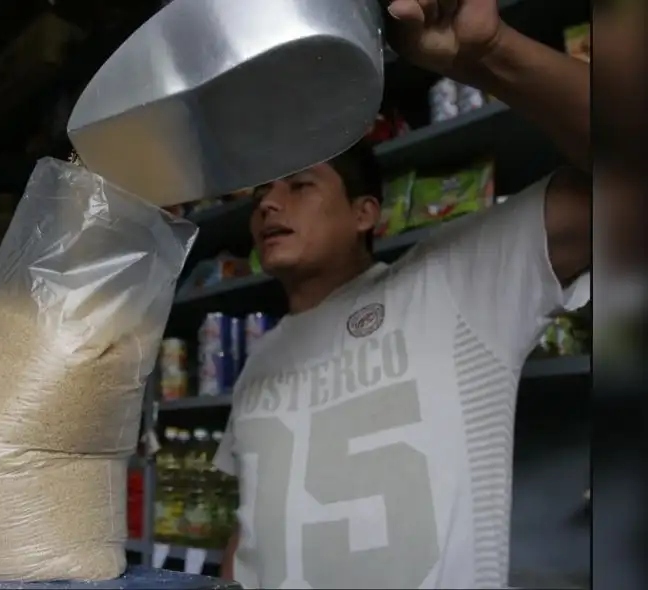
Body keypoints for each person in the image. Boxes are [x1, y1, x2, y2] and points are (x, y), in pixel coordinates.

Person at [213, 0, 591, 588]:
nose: (268, 203)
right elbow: (252, 523)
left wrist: (491, 52)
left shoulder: (453, 285)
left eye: (300, 185)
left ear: (366, 212)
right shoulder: (258, 360)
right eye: (262, 190)